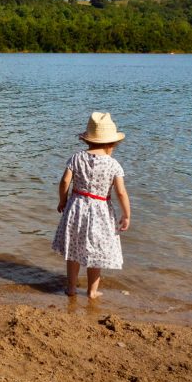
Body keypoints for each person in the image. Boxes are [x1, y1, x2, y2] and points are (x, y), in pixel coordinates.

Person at [52, 111, 131, 298]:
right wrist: (126, 215)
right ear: (112, 144)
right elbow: (120, 192)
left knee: (73, 249)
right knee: (97, 251)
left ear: (88, 140)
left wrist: (62, 200)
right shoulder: (113, 165)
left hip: (76, 208)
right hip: (101, 212)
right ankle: (92, 291)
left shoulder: (76, 158)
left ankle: (71, 289)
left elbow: (64, 182)